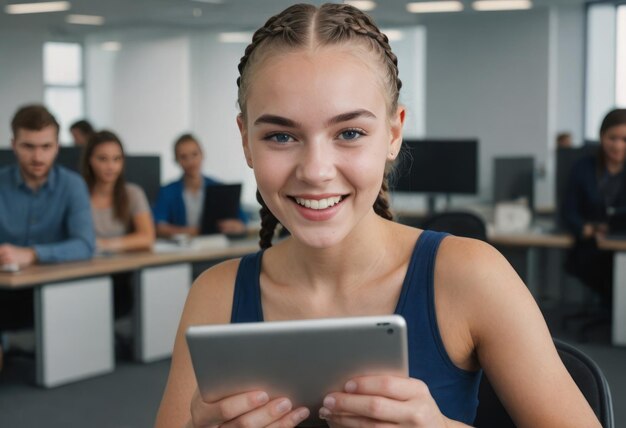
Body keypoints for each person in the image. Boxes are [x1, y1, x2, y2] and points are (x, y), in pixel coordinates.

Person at [156, 4, 600, 427]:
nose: (315, 171)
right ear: (245, 141)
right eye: (280, 136)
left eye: (349, 132)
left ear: (392, 134)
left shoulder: (471, 276)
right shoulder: (215, 295)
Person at [0, 104, 95, 371]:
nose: (38, 156)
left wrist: (32, 254)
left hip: (54, 295)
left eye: (46, 146)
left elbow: (85, 244)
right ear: (13, 145)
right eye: (28, 146)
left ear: (57, 146)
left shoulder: (72, 184)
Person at [562, 108, 626, 301]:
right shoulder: (583, 167)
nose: (618, 145)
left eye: (624, 139)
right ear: (601, 136)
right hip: (590, 247)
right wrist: (585, 229)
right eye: (612, 138)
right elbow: (568, 210)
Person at [152, 133, 247, 238]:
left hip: (215, 246)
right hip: (183, 249)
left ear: (202, 155)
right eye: (183, 157)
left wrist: (238, 226)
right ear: (177, 160)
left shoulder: (218, 188)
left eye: (194, 154)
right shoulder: (167, 191)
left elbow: (242, 221)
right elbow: (159, 227)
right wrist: (194, 232)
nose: (190, 162)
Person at [82, 130, 155, 253]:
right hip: (84, 266)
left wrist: (104, 244)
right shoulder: (77, 193)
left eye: (117, 159)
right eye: (103, 159)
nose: (111, 166)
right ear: (90, 160)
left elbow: (147, 237)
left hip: (122, 267)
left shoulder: (133, 193)